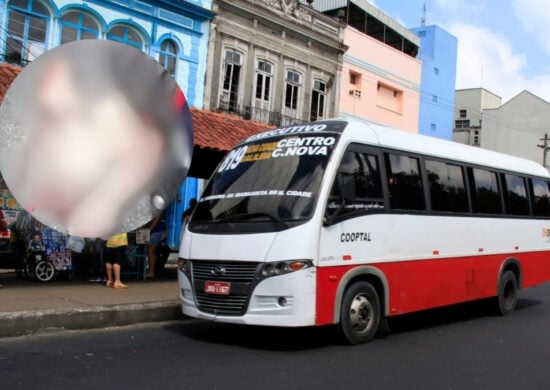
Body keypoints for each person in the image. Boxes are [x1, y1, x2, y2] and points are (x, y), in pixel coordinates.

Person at [146, 212, 166, 279]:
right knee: (152, 252)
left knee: (151, 252)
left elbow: (155, 222)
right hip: (156, 231)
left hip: (155, 232)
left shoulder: (157, 210)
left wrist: (149, 230)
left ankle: (151, 272)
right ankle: (151, 271)